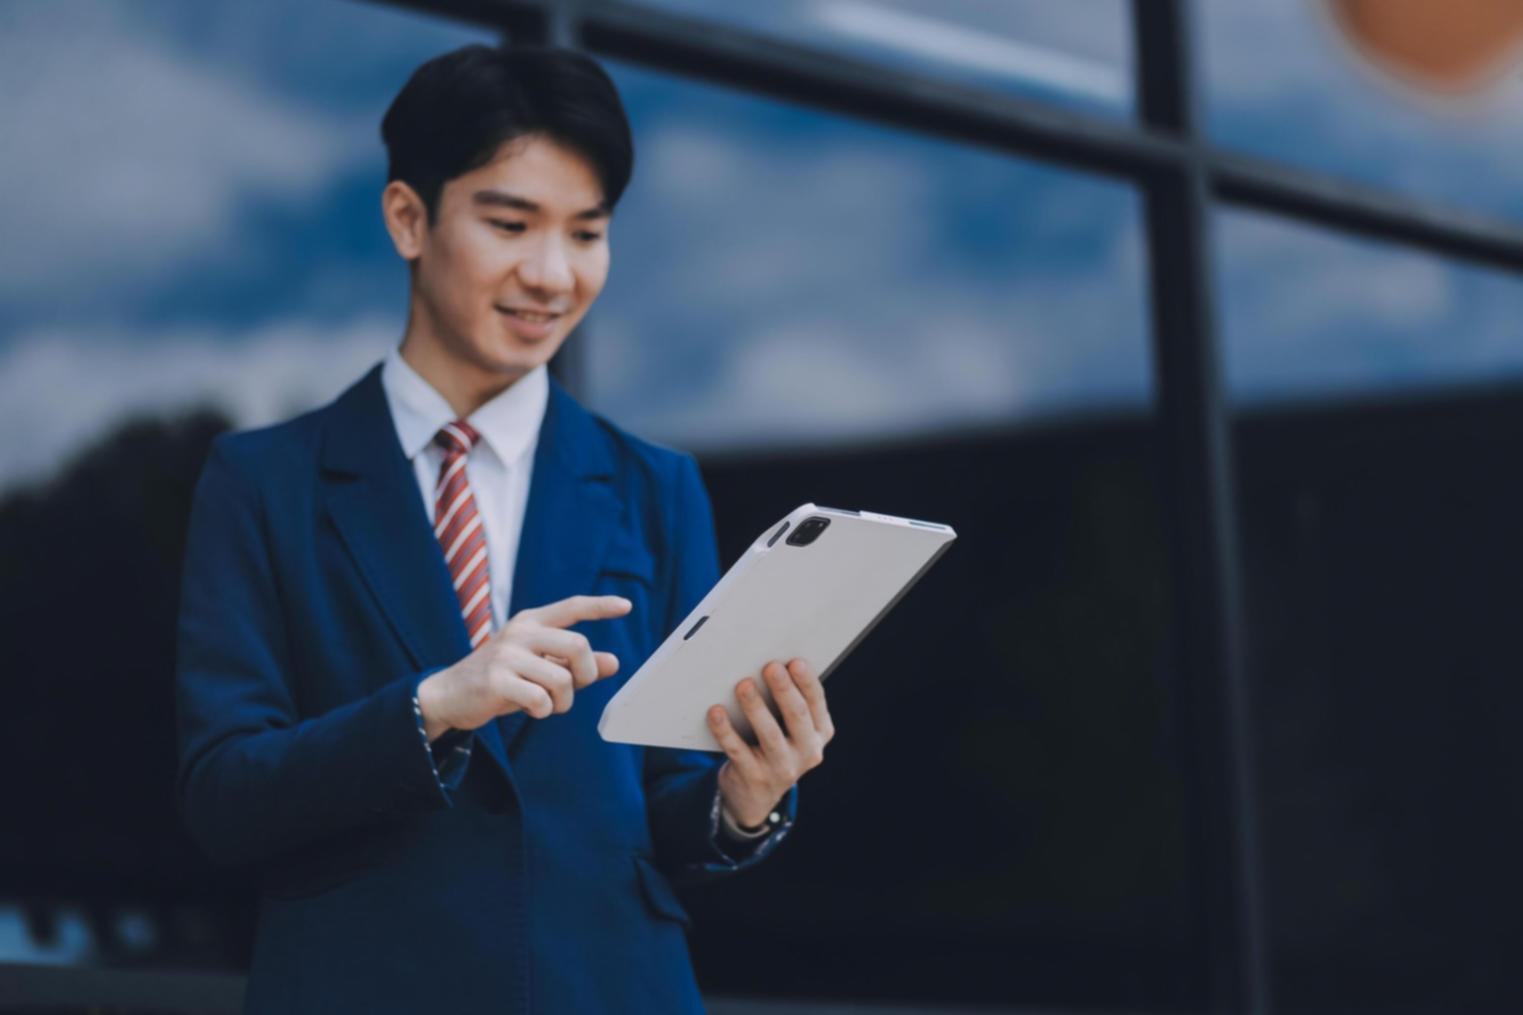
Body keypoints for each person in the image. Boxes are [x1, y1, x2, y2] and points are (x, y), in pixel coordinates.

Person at [174, 44, 835, 1013]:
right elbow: (222, 798)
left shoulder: (657, 486)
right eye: (510, 223)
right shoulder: (263, 483)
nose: (552, 274)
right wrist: (432, 705)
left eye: (587, 231)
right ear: (409, 218)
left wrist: (742, 803)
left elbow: (661, 808)